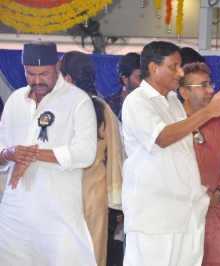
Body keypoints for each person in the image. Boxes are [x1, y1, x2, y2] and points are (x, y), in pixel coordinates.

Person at [121, 41, 220, 266]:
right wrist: (208, 112)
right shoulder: (137, 101)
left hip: (186, 213)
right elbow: (163, 138)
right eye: (174, 66)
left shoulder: (173, 101)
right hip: (155, 217)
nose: (179, 72)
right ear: (153, 68)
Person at [0, 42, 97, 265]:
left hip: (57, 209)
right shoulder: (16, 100)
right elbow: (2, 150)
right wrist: (10, 153)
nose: (37, 80)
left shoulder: (77, 100)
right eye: (30, 73)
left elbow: (85, 153)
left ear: (57, 65)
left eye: (44, 73)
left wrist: (31, 155)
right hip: (16, 210)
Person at [60, 51, 125, 266]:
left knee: (63, 253)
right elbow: (117, 153)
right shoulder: (102, 108)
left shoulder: (62, 108)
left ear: (68, 78)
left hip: (63, 190)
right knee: (92, 253)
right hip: (95, 195)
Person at [178, 62, 220, 265]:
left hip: (215, 209)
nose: (211, 90)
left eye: (210, 84)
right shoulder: (172, 124)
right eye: (203, 86)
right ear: (184, 92)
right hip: (180, 212)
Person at [104, 52, 142, 119]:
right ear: (125, 79)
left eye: (146, 77)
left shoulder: (150, 102)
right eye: (139, 77)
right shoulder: (107, 106)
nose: (144, 82)